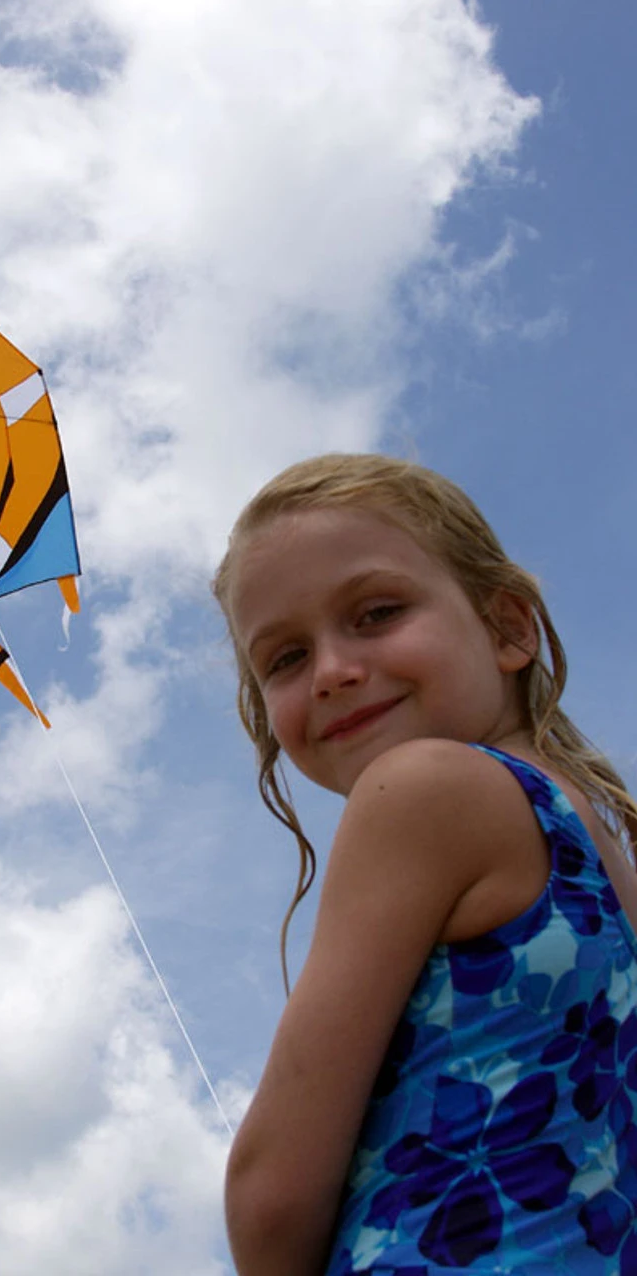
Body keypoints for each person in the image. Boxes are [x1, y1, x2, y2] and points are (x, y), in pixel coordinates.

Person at [212, 452, 637, 1276]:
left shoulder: (419, 790)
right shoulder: (600, 848)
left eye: (376, 613)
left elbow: (270, 1196)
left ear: (508, 627)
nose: (333, 671)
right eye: (286, 659)